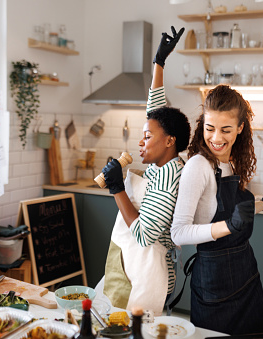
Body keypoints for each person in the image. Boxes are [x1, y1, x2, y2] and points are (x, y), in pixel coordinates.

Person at [169, 85, 263, 335]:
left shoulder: (233, 162)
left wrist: (261, 204)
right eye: (210, 128)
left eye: (226, 130)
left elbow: (237, 215)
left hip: (246, 274)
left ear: (240, 128)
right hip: (213, 284)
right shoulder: (199, 166)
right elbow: (179, 233)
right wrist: (228, 226)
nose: (216, 138)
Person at [101, 26, 190, 316]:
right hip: (137, 267)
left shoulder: (168, 177)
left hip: (150, 275)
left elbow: (142, 235)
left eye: (147, 137)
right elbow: (155, 111)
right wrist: (159, 62)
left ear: (169, 141)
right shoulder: (165, 163)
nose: (141, 141)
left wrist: (117, 189)